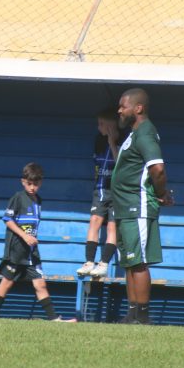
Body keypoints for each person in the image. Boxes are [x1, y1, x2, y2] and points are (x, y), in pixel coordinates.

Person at [110, 88, 173, 324]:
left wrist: (161, 193)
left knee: (138, 262)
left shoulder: (145, 133)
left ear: (138, 108)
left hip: (137, 206)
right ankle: (132, 313)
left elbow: (157, 169)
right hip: (124, 208)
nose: (119, 110)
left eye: (123, 106)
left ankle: (143, 316)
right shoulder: (134, 134)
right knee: (129, 261)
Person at [0, 163, 76, 322]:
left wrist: (32, 238)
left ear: (41, 183)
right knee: (7, 282)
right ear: (23, 181)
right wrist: (25, 236)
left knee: (40, 284)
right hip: (17, 251)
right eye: (29, 183)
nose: (32, 187)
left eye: (35, 184)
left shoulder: (38, 201)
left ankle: (54, 319)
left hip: (31, 252)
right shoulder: (18, 198)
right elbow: (8, 220)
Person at [76, 107, 122, 280]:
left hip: (117, 191)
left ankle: (103, 264)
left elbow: (121, 163)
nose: (99, 127)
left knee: (112, 226)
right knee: (94, 220)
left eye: (102, 124)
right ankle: (89, 261)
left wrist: (112, 143)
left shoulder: (123, 138)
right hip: (101, 188)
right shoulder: (98, 139)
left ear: (112, 124)